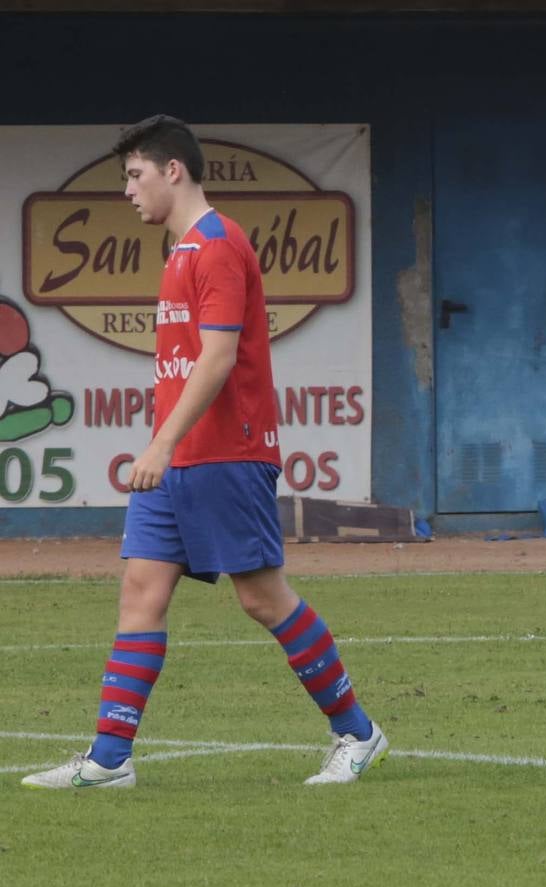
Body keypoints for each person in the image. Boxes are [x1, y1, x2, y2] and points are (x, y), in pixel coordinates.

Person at [22, 115, 387, 789]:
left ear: (173, 171)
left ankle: (357, 732)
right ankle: (109, 760)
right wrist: (163, 441)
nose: (128, 190)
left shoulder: (219, 245)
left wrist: (160, 442)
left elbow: (218, 360)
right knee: (140, 592)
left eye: (134, 175)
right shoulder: (181, 252)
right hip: (177, 459)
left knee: (261, 598)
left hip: (227, 453)